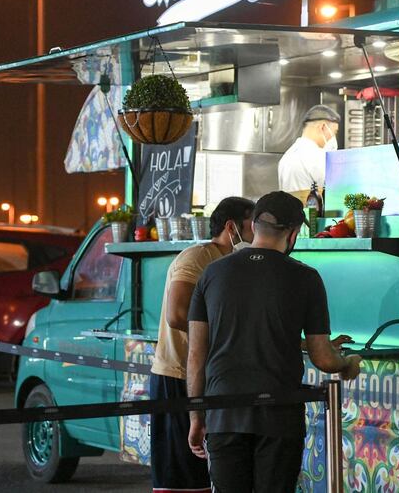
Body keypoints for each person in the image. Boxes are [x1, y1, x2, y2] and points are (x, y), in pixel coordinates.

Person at [187, 190, 362, 493]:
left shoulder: (212, 274)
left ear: (253, 226)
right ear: (293, 234)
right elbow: (323, 357)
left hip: (222, 411)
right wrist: (347, 364)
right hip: (279, 417)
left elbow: (196, 355)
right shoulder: (306, 278)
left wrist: (196, 416)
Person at [149, 197, 254, 493]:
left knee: (209, 475)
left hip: (214, 379)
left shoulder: (240, 264)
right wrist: (224, 338)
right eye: (252, 224)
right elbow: (176, 314)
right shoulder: (197, 258)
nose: (257, 231)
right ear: (231, 227)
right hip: (179, 375)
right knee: (180, 477)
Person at [278, 104, 341, 193]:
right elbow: (337, 192)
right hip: (310, 206)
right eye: (334, 132)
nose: (333, 137)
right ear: (322, 127)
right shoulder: (317, 158)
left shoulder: (287, 156)